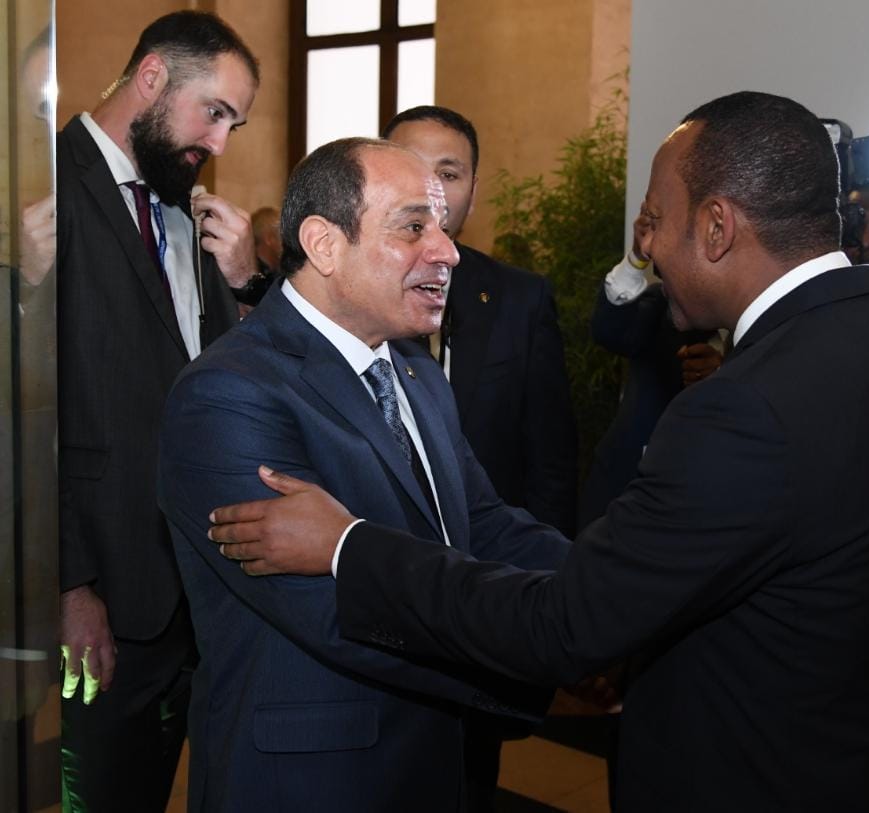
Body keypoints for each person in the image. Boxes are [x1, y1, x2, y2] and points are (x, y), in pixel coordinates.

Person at [211, 92, 869, 811]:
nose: (648, 249)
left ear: (716, 228)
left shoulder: (745, 405)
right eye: (414, 225)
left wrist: (347, 546)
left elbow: (564, 622)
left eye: (657, 220)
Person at [157, 137, 570, 811]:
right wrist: (553, 644)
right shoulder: (227, 393)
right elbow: (335, 610)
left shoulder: (413, 370)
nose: (447, 251)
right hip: (311, 785)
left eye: (442, 226)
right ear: (324, 244)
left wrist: (599, 590)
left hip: (430, 766)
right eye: (413, 227)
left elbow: (482, 523)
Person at [56, 11, 258, 811]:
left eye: (235, 123)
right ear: (151, 78)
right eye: (215, 112)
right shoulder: (42, 186)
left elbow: (215, 385)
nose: (221, 142)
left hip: (198, 586)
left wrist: (246, 284)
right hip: (104, 592)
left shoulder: (183, 206)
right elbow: (26, 412)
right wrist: (69, 584)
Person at [382, 106, 579, 539]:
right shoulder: (344, 290)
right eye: (411, 166)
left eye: (448, 174)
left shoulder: (521, 300)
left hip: (489, 552)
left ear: (473, 192)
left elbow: (551, 458)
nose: (430, 189)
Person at [578, 201, 723, 530]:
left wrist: (724, 370)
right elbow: (609, 330)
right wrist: (636, 259)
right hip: (624, 503)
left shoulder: (765, 330)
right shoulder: (662, 306)